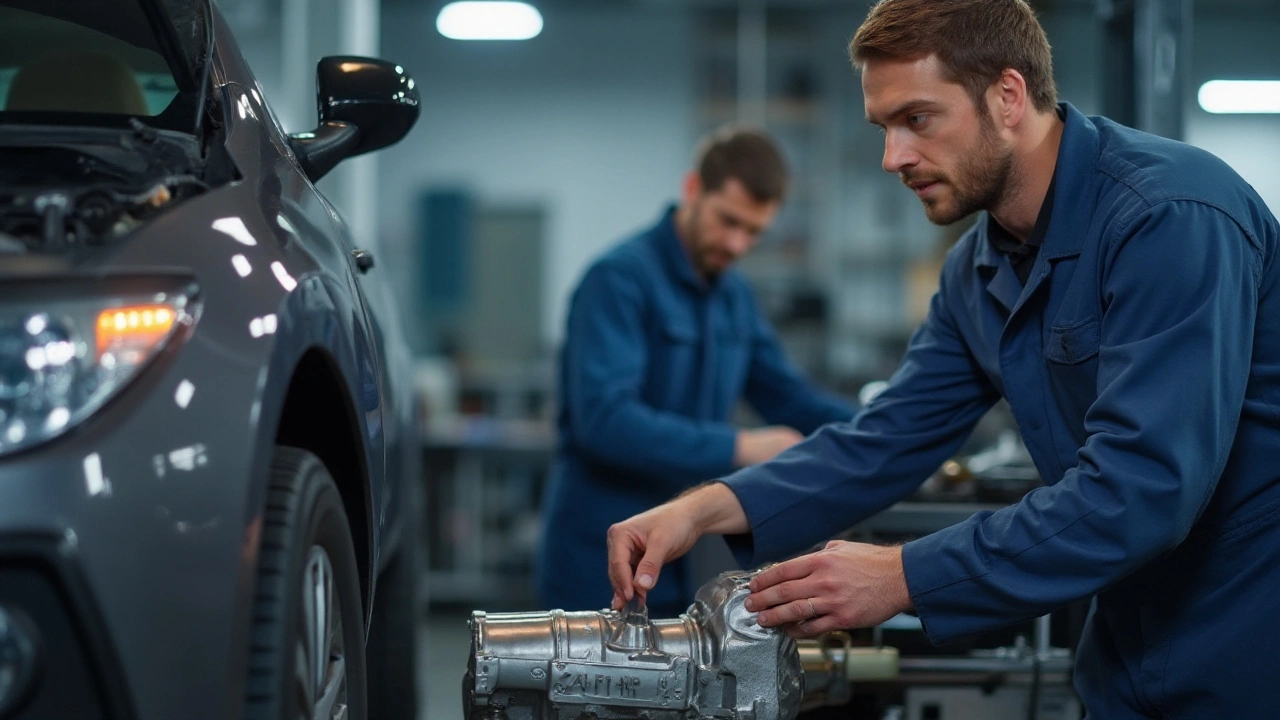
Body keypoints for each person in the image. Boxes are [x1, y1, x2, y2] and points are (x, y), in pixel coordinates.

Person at [606, 0, 1280, 716]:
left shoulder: (1169, 217)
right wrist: (707, 507)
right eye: (884, 127)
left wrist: (903, 576)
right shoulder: (979, 270)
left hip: (1249, 630)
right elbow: (887, 436)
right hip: (1129, 641)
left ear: (1008, 97)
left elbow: (1143, 489)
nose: (893, 157)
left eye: (917, 119)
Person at [535, 126, 859, 617]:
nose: (736, 244)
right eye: (727, 221)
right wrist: (741, 447)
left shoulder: (733, 296)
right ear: (693, 190)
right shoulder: (619, 280)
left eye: (753, 232)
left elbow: (788, 396)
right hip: (603, 564)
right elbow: (604, 421)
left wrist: (884, 427)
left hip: (686, 560)